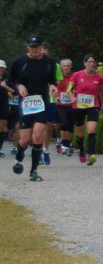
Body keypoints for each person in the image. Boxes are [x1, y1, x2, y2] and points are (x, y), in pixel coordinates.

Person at [9, 36, 63, 181]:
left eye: (37, 47)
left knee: (38, 136)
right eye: (32, 47)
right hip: (26, 103)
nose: (35, 50)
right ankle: (19, 158)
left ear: (41, 47)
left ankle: (33, 171)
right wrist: (18, 86)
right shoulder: (19, 63)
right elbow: (11, 80)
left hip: (42, 102)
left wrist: (53, 86)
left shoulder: (49, 62)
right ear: (27, 47)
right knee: (25, 140)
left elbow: (52, 80)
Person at [67, 54, 103, 163]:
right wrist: (71, 98)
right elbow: (69, 89)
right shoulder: (77, 75)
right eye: (89, 62)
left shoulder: (99, 77)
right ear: (85, 63)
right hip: (78, 105)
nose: (91, 64)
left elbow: (101, 90)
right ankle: (82, 151)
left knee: (91, 129)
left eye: (93, 62)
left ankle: (91, 154)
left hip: (93, 105)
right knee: (80, 132)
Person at [53, 57, 76, 156]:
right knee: (64, 123)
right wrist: (56, 96)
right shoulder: (58, 77)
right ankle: (62, 143)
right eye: (64, 66)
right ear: (61, 67)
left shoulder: (74, 76)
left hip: (72, 103)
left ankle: (67, 144)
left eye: (68, 66)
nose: (66, 68)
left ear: (71, 67)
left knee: (71, 124)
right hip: (61, 103)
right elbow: (53, 88)